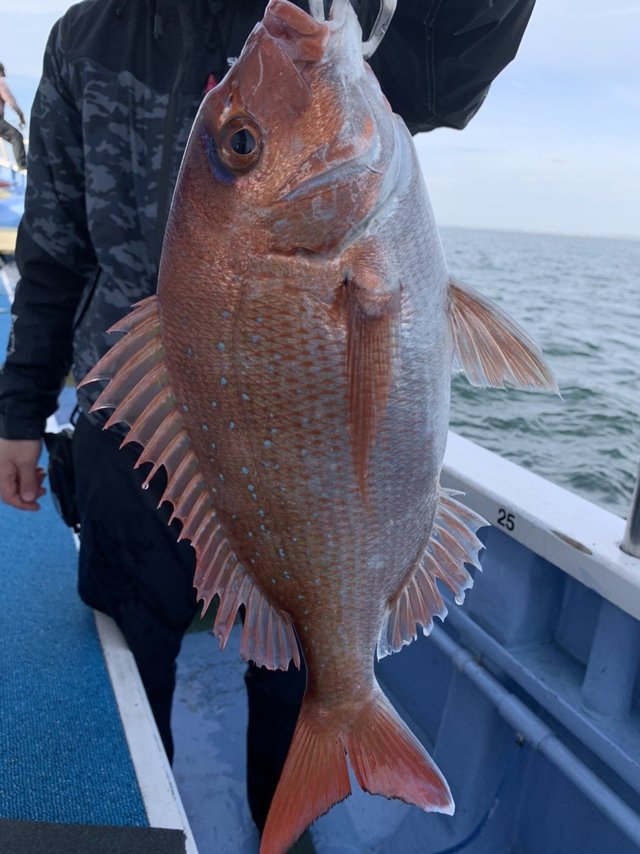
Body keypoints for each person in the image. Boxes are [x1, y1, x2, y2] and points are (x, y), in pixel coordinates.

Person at [0, 0, 536, 834]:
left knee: (292, 676)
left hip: (297, 475)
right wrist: (20, 410)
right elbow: (54, 243)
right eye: (245, 142)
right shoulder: (82, 37)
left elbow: (450, 68)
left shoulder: (325, 22)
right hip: (127, 434)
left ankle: (285, 817)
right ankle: (154, 814)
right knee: (131, 660)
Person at [0, 63, 27, 171]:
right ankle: (22, 166)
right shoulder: (0, 83)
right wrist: (21, 116)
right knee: (16, 136)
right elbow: (11, 101)